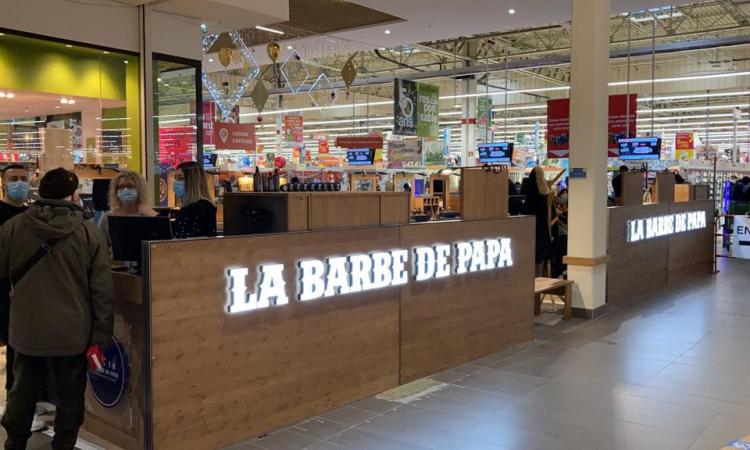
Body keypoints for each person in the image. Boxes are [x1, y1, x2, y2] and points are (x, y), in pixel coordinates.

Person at [0, 167, 113, 449]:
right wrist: (100, 336)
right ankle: (63, 444)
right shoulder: (88, 232)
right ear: (73, 195)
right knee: (70, 396)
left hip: (26, 329)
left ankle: (14, 443)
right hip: (71, 332)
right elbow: (101, 291)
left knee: (22, 394)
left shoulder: (13, 227)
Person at [0, 165, 46, 433]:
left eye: (23, 179)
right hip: (6, 290)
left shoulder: (32, 214)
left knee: (29, 347)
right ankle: (16, 404)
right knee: (17, 346)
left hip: (33, 292)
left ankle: (29, 400)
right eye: (13, 179)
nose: (19, 184)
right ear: (4, 183)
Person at [99, 171, 157, 247]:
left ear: (139, 189)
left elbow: (164, 244)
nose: (125, 190)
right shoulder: (108, 217)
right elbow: (101, 246)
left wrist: (155, 217)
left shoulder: (148, 214)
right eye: (121, 187)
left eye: (130, 186)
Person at [522, 166, 553, 275]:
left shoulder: (530, 199)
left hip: (532, 239)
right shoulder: (541, 200)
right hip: (539, 238)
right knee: (538, 268)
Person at [173, 161, 216, 238]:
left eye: (181, 178)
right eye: (175, 178)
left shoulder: (200, 207)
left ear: (193, 181)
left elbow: (184, 238)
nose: (176, 182)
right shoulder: (188, 207)